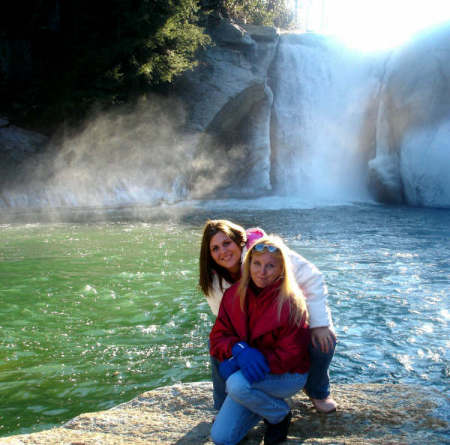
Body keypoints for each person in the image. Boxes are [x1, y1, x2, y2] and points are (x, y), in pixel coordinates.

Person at [199, 219, 337, 413]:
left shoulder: (267, 250)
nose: (223, 252)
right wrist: (238, 350)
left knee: (323, 339)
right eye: (215, 248)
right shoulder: (213, 282)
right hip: (251, 332)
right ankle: (223, 404)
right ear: (209, 255)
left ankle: (317, 391)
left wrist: (320, 325)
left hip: (285, 318)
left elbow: (312, 277)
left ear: (239, 241)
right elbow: (225, 325)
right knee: (215, 344)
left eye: (226, 243)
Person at [209, 236, 310, 445]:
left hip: (287, 376)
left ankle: (278, 414)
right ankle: (261, 403)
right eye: (257, 263)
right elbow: (218, 336)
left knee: (236, 384)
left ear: (282, 269)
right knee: (222, 438)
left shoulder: (291, 301)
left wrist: (251, 362)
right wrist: (238, 350)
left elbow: (293, 355)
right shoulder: (233, 295)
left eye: (270, 266)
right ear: (248, 264)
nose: (261, 272)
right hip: (249, 376)